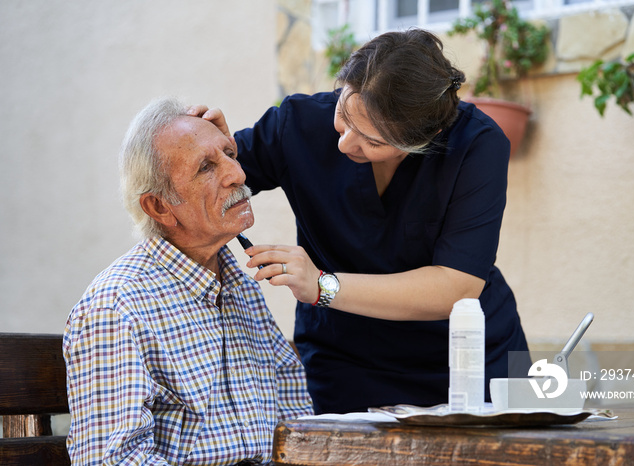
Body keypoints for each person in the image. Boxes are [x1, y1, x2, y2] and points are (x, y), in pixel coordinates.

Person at [192, 28, 530, 414]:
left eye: (373, 141)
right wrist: (214, 152)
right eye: (343, 116)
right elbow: (215, 186)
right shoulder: (296, 124)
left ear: (428, 137)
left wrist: (323, 286)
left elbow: (457, 286)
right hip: (345, 361)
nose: (345, 143)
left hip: (473, 356)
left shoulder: (477, 144)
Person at [63, 97, 313, 465]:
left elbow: (296, 426)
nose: (238, 175)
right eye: (206, 168)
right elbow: (112, 460)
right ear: (160, 207)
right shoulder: (117, 306)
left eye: (230, 153)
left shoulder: (240, 287)